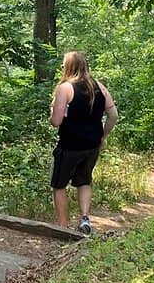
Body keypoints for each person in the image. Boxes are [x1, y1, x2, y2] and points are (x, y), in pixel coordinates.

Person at [49, 51, 118, 234]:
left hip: (70, 146)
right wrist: (102, 135)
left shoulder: (65, 88)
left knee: (59, 185)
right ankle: (85, 219)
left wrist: (53, 109)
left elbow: (56, 121)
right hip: (92, 146)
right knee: (84, 181)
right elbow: (113, 116)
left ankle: (63, 228)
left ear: (69, 67)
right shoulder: (99, 87)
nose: (62, 68)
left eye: (64, 65)